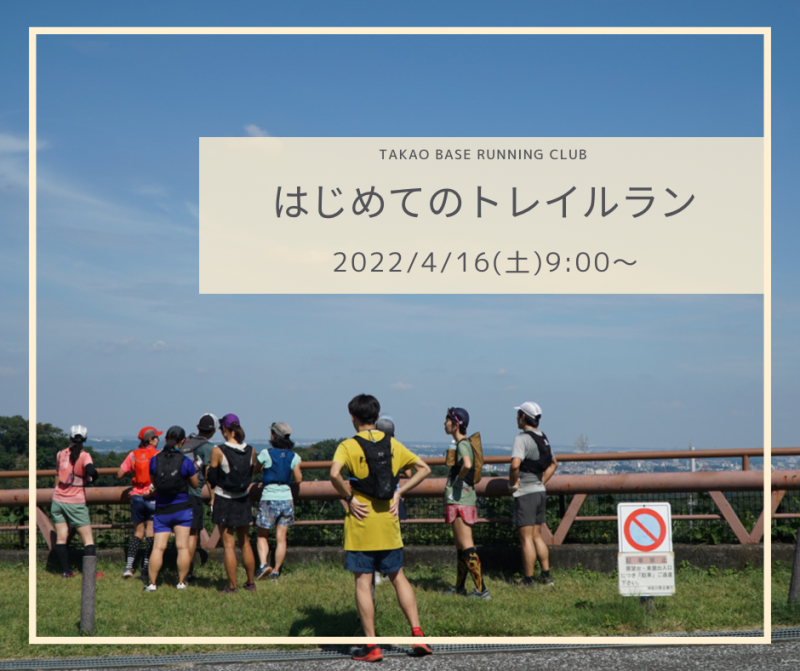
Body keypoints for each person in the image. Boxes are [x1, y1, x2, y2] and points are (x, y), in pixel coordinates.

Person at [330, 394, 433, 662]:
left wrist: (349, 498)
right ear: (376, 418)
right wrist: (399, 492)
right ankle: (418, 635)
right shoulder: (393, 444)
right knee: (398, 577)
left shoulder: (348, 446)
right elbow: (424, 469)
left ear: (353, 417)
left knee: (363, 583)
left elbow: (333, 474)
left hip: (361, 523)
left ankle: (372, 646)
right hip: (389, 521)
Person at [508, 402, 558, 586]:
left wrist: (512, 484)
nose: (516, 418)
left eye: (518, 415)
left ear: (523, 417)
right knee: (537, 536)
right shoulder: (543, 437)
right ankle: (546, 575)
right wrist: (541, 481)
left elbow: (515, 465)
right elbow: (554, 463)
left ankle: (528, 579)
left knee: (526, 538)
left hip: (526, 493)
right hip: (539, 491)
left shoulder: (522, 439)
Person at [143, 425, 199, 591]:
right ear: (183, 441)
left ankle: (152, 584)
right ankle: (181, 582)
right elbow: (195, 484)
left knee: (158, 547)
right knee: (182, 547)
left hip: (162, 508)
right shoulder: (185, 461)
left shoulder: (156, 459)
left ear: (166, 439)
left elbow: (154, 482)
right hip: (182, 509)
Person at [207, 413, 258, 593]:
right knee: (245, 543)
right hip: (243, 498)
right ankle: (250, 583)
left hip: (224, 499)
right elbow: (251, 471)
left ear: (224, 429)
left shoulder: (218, 451)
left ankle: (232, 586)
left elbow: (212, 479)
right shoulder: (250, 450)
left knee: (229, 545)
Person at [442, 407, 489, 599]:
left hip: (460, 500)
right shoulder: (463, 443)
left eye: (447, 420)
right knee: (461, 546)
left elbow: (467, 464)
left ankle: (482, 590)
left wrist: (457, 480)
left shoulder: (462, 444)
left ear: (455, 424)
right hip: (463, 500)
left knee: (467, 545)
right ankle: (459, 587)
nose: (444, 423)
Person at [51, 425, 104, 578]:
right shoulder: (84, 456)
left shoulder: (60, 454)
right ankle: (90, 572)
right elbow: (91, 471)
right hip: (76, 501)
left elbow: (58, 472)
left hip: (58, 499)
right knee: (88, 539)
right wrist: (92, 476)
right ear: (85, 440)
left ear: (70, 438)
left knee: (61, 537)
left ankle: (66, 570)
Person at [254, 422, 302, 580]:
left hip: (269, 497)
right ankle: (275, 571)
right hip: (286, 498)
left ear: (274, 435)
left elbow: (255, 469)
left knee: (262, 535)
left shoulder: (266, 453)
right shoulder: (294, 456)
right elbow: (298, 479)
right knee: (281, 538)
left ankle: (263, 565)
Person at [116, 426, 161, 579]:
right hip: (152, 497)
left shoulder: (133, 455)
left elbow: (120, 474)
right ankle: (145, 569)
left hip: (136, 496)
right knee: (150, 534)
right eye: (156, 437)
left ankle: (129, 567)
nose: (158, 439)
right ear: (151, 440)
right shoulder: (157, 455)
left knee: (137, 533)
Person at [180, 413, 219, 581]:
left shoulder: (185, 443)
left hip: (175, 493)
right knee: (192, 534)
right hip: (193, 494)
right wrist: (213, 499)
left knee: (180, 533)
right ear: (214, 430)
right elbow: (209, 476)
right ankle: (185, 573)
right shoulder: (208, 448)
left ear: (198, 427)